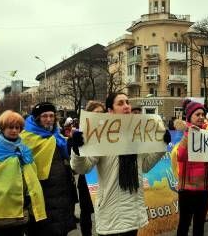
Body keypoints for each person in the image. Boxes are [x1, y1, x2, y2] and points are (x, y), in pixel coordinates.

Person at [71, 93, 170, 235]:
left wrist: (162, 146)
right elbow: (82, 168)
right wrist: (77, 150)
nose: (126, 107)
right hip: (112, 214)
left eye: (127, 102)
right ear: (110, 111)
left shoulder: (137, 135)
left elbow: (145, 166)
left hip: (133, 212)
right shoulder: (102, 136)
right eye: (120, 103)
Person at [0, 110, 47, 236]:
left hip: (23, 203)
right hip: (1, 205)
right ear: (2, 128)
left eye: (17, 127)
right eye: (10, 127)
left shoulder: (23, 148)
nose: (14, 130)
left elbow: (32, 173)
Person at [21, 102, 77, 236]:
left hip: (62, 194)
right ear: (37, 118)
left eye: (51, 116)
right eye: (44, 116)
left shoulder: (57, 136)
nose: (49, 119)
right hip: (41, 194)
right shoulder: (25, 137)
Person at [173, 102, 208, 236]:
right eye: (197, 114)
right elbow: (180, 156)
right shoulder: (184, 132)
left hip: (204, 188)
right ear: (189, 116)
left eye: (203, 114)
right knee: (184, 224)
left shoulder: (207, 133)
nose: (201, 117)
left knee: (199, 224)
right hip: (187, 188)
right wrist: (189, 134)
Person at [75, 100, 105, 236]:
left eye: (102, 113)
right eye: (96, 113)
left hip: (102, 177)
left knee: (101, 210)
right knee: (86, 211)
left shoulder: (108, 132)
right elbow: (77, 161)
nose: (99, 115)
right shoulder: (82, 133)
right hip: (86, 177)